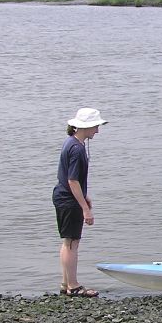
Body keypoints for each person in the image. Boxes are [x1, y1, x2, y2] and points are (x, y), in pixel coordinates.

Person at [53, 107, 107, 297]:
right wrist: (85, 208)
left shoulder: (71, 142)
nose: (97, 131)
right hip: (68, 199)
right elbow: (72, 180)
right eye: (95, 127)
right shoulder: (77, 149)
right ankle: (74, 286)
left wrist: (84, 196)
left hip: (63, 196)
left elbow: (71, 180)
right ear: (86, 127)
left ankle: (65, 283)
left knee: (68, 241)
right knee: (72, 243)